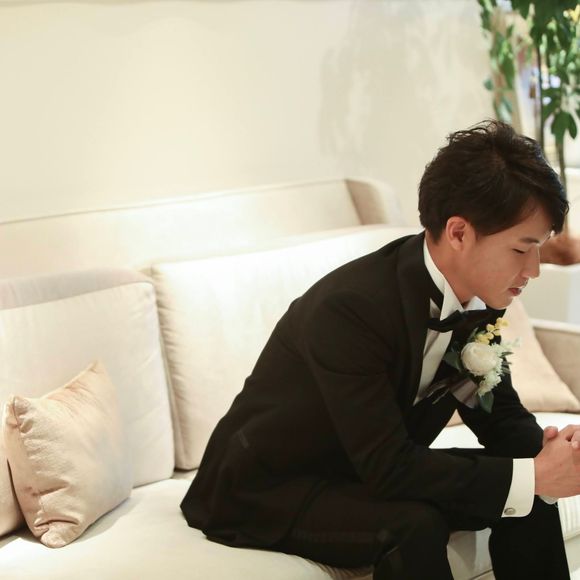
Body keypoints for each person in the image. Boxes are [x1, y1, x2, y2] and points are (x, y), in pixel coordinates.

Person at [180, 120, 580, 579]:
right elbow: (389, 467)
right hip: (270, 486)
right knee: (416, 525)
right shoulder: (352, 309)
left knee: (529, 487)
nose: (534, 270)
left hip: (362, 470)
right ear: (458, 233)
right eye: (521, 250)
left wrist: (557, 457)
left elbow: (500, 419)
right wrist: (533, 474)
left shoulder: (478, 298)